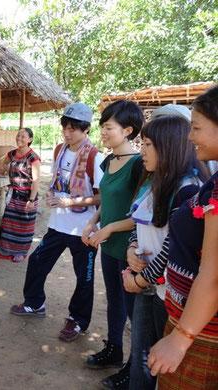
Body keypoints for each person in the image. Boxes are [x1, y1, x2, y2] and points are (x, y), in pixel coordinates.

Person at [122, 115, 205, 390]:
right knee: (141, 357)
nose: (142, 151)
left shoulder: (186, 189)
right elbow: (139, 221)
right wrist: (132, 248)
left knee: (157, 362)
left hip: (166, 293)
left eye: (148, 144)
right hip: (149, 287)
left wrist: (140, 279)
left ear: (168, 146)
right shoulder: (153, 181)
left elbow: (172, 247)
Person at [10, 103, 104, 342]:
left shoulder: (95, 156)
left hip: (84, 228)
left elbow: (103, 196)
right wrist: (54, 197)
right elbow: (57, 181)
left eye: (74, 128)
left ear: (87, 129)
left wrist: (71, 202)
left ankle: (77, 321)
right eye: (65, 127)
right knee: (37, 262)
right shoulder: (59, 150)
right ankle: (34, 303)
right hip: (58, 224)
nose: (68, 132)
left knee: (84, 277)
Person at [147, 85, 218, 389]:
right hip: (190, 319)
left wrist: (181, 337)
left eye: (197, 128)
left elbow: (214, 273)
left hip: (202, 333)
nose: (191, 137)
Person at [81, 100, 145, 389]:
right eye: (103, 126)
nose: (103, 132)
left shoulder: (139, 165)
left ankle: (134, 368)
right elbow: (106, 201)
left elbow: (141, 215)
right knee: (114, 300)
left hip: (130, 250)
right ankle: (114, 349)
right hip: (108, 245)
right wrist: (93, 221)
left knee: (135, 311)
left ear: (128, 130)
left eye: (109, 127)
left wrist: (108, 228)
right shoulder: (108, 161)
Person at [0, 128, 40, 263]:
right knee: (8, 224)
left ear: (30, 140)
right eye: (18, 136)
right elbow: (4, 164)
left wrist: (31, 200)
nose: (19, 138)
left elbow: (36, 181)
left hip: (27, 196)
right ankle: (6, 251)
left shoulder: (33, 157)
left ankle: (20, 252)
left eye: (23, 136)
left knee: (24, 226)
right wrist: (11, 173)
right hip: (14, 194)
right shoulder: (12, 154)